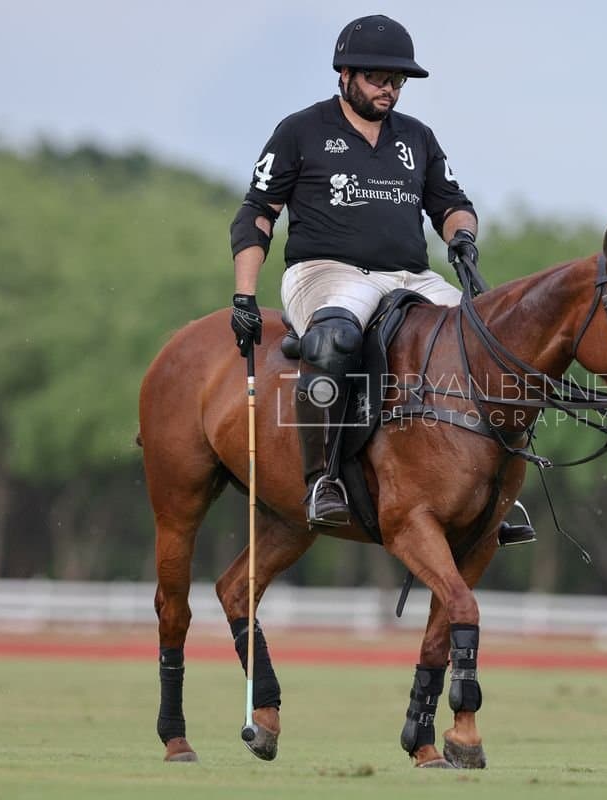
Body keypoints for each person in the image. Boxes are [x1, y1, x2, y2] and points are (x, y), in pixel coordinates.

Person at [227, 14, 533, 546]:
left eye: (397, 81)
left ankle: (493, 490)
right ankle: (321, 480)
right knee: (334, 341)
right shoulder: (300, 131)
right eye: (377, 78)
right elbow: (257, 213)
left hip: (409, 275)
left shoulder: (416, 137)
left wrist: (462, 237)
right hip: (325, 271)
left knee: (487, 338)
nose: (389, 89)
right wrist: (244, 294)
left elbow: (452, 204)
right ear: (344, 74)